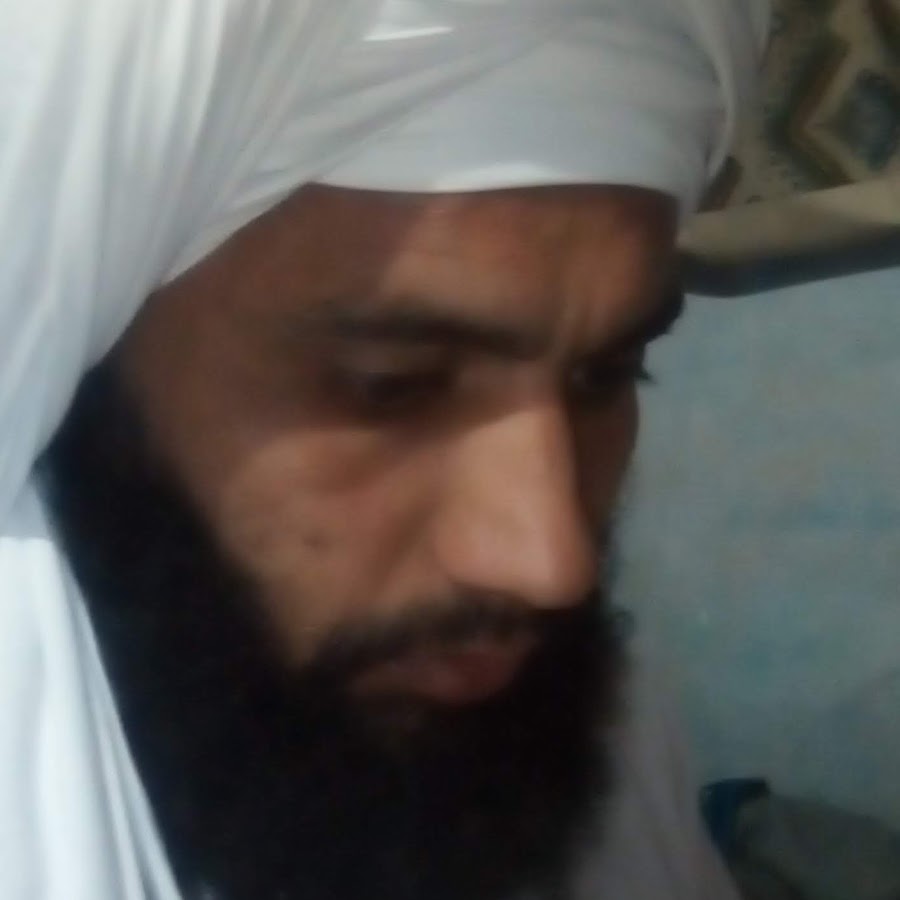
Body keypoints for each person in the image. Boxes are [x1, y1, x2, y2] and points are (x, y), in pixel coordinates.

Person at [0, 3, 769, 899]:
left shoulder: (608, 754)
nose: (550, 565)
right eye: (391, 387)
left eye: (606, 374)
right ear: (75, 367)